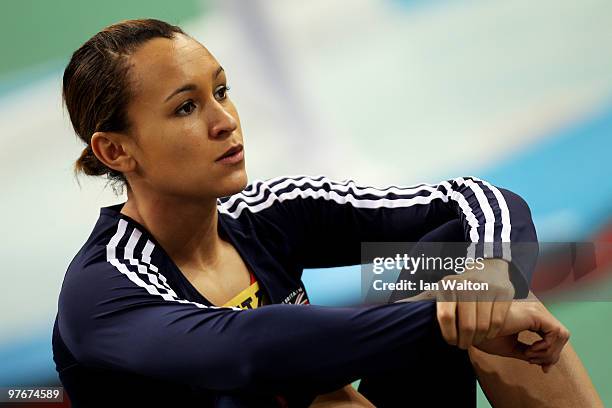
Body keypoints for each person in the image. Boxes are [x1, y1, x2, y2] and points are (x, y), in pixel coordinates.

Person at [52, 19, 569, 407]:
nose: (225, 121)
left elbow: (472, 197)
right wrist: (442, 318)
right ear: (116, 152)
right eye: (186, 107)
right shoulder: (103, 292)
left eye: (222, 91)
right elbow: (247, 352)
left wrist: (492, 277)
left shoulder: (267, 214)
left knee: (472, 270)